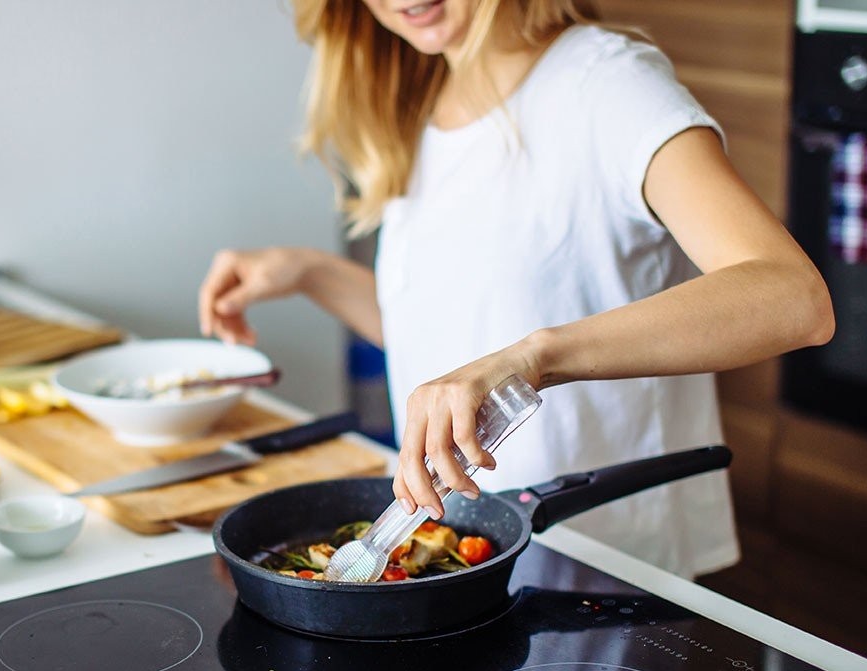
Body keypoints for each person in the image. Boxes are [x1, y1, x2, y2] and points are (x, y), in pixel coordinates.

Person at [197, 0, 834, 580]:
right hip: (463, 559)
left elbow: (792, 299)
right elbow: (456, 339)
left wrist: (533, 360)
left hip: (598, 561)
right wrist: (312, 272)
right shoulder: (431, 99)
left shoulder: (608, 84)